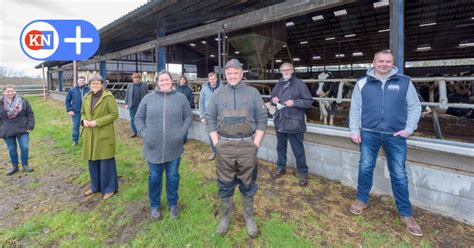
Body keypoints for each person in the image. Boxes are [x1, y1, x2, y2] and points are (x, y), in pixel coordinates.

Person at [349, 50, 423, 236]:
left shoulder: (404, 81)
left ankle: (406, 214)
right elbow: (356, 108)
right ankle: (361, 200)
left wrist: (409, 129)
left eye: (388, 61)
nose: (384, 64)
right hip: (369, 133)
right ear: (373, 62)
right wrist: (354, 130)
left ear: (393, 63)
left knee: (398, 173)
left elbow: (414, 106)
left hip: (395, 135)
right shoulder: (362, 82)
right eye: (380, 61)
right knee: (365, 167)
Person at [206, 59, 267, 238]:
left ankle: (249, 217)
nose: (232, 76)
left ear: (242, 73)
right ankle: (225, 217)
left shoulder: (253, 93)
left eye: (235, 72)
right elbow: (210, 118)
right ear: (225, 75)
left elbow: (262, 118)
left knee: (248, 183)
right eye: (229, 73)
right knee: (225, 183)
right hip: (224, 145)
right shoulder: (218, 94)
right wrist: (216, 143)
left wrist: (255, 144)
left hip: (247, 145)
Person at [135, 71, 192, 220]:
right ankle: (154, 206)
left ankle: (173, 204)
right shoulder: (148, 98)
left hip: (174, 147)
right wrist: (144, 133)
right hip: (153, 147)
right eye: (161, 80)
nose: (164, 82)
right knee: (154, 177)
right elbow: (138, 118)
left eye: (167, 79)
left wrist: (182, 133)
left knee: (173, 177)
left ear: (171, 81)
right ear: (157, 82)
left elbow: (188, 116)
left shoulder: (181, 98)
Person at [270, 62, 313, 187]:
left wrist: (294, 102)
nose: (286, 72)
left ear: (293, 70)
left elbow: (309, 101)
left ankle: (303, 173)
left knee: (298, 150)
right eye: (284, 70)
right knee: (280, 148)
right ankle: (281, 167)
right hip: (280, 121)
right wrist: (274, 100)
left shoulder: (300, 84)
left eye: (288, 70)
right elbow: (272, 98)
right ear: (281, 71)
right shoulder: (279, 84)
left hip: (294, 122)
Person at [81, 75, 119, 200]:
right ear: (90, 85)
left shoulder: (108, 97)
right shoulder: (86, 97)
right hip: (90, 134)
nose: (95, 85)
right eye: (92, 83)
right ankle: (95, 186)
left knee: (105, 161)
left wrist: (97, 122)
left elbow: (114, 114)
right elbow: (82, 113)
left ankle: (109, 188)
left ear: (102, 84)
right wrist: (83, 121)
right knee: (92, 161)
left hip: (103, 134)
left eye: (97, 83)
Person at [0, 85, 35, 175]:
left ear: (15, 91)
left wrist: (30, 126)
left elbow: (30, 114)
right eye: (8, 91)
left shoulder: (23, 101)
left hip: (22, 129)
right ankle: (14, 166)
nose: (10, 93)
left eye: (12, 91)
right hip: (7, 130)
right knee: (12, 149)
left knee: (24, 147)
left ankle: (25, 165)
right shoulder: (1, 103)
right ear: (4, 92)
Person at [199, 72, 221, 160]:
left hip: (220, 116)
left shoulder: (222, 88)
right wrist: (202, 116)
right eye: (210, 79)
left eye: (214, 79)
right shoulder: (204, 89)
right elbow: (201, 103)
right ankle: (214, 151)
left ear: (217, 79)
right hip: (209, 116)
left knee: (221, 134)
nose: (212, 80)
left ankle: (221, 152)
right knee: (211, 135)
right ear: (208, 79)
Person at [65, 76, 90, 146]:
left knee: (88, 126)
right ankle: (75, 140)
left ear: (85, 81)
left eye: (83, 80)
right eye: (80, 80)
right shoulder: (72, 90)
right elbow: (67, 100)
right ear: (77, 81)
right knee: (76, 126)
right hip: (76, 111)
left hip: (87, 111)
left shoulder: (89, 90)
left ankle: (88, 140)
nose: (81, 82)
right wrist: (69, 110)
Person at [124, 72, 148, 138]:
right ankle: (134, 132)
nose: (136, 79)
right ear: (132, 79)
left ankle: (142, 132)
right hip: (132, 105)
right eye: (134, 78)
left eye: (137, 78)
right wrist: (126, 103)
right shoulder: (130, 85)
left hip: (141, 106)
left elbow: (147, 96)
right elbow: (127, 95)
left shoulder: (144, 86)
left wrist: (147, 104)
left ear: (139, 78)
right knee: (133, 119)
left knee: (142, 119)